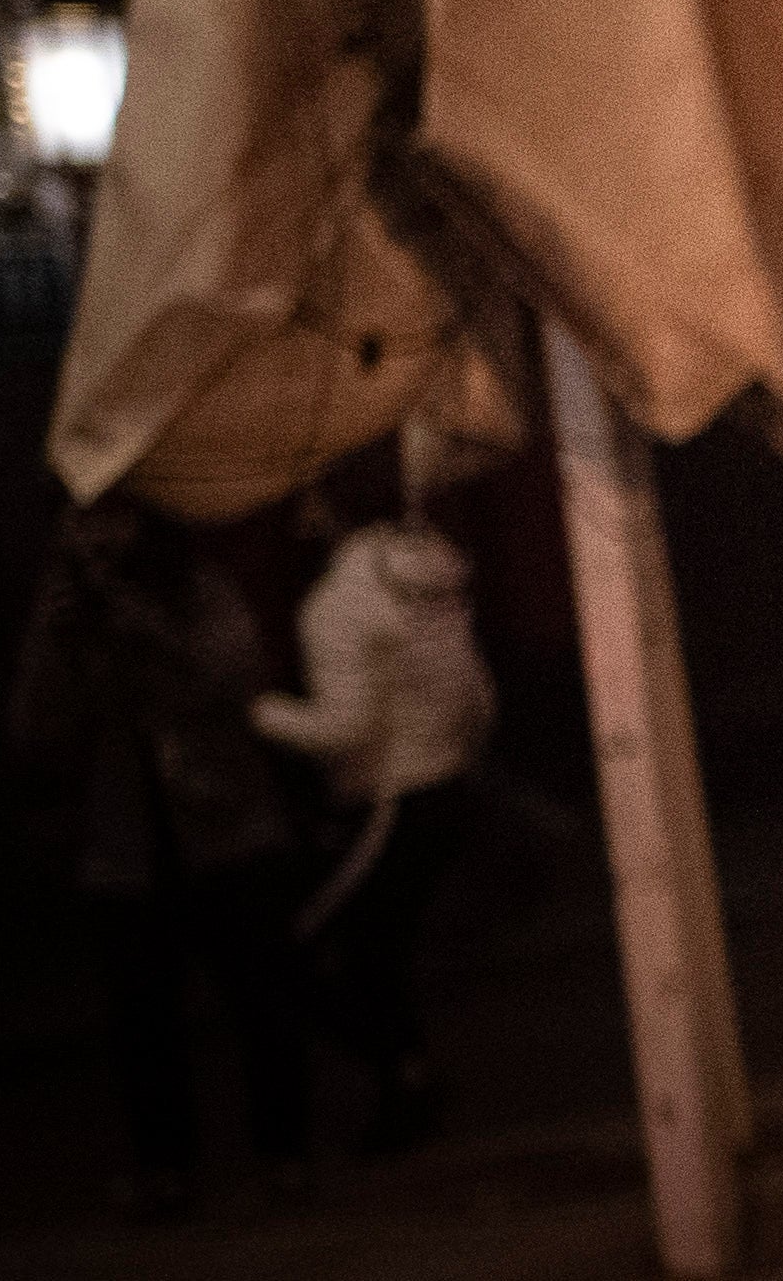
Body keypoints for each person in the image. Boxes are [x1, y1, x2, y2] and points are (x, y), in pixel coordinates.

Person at [11, 495, 314, 1217]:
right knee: (143, 1018)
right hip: (127, 846)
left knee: (260, 1000)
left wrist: (147, 626)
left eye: (107, 525)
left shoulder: (199, 590)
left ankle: (284, 1151)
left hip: (229, 829)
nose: (94, 546)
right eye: (79, 531)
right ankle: (165, 1167)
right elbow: (32, 725)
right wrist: (59, 642)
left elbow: (239, 676)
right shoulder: (68, 614)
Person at [250, 443, 497, 1154]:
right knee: (375, 951)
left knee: (297, 951)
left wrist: (256, 710)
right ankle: (407, 1087)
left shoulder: (336, 606)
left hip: (388, 803)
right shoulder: (429, 578)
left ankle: (405, 1076)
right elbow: (480, 692)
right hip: (444, 786)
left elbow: (345, 727)